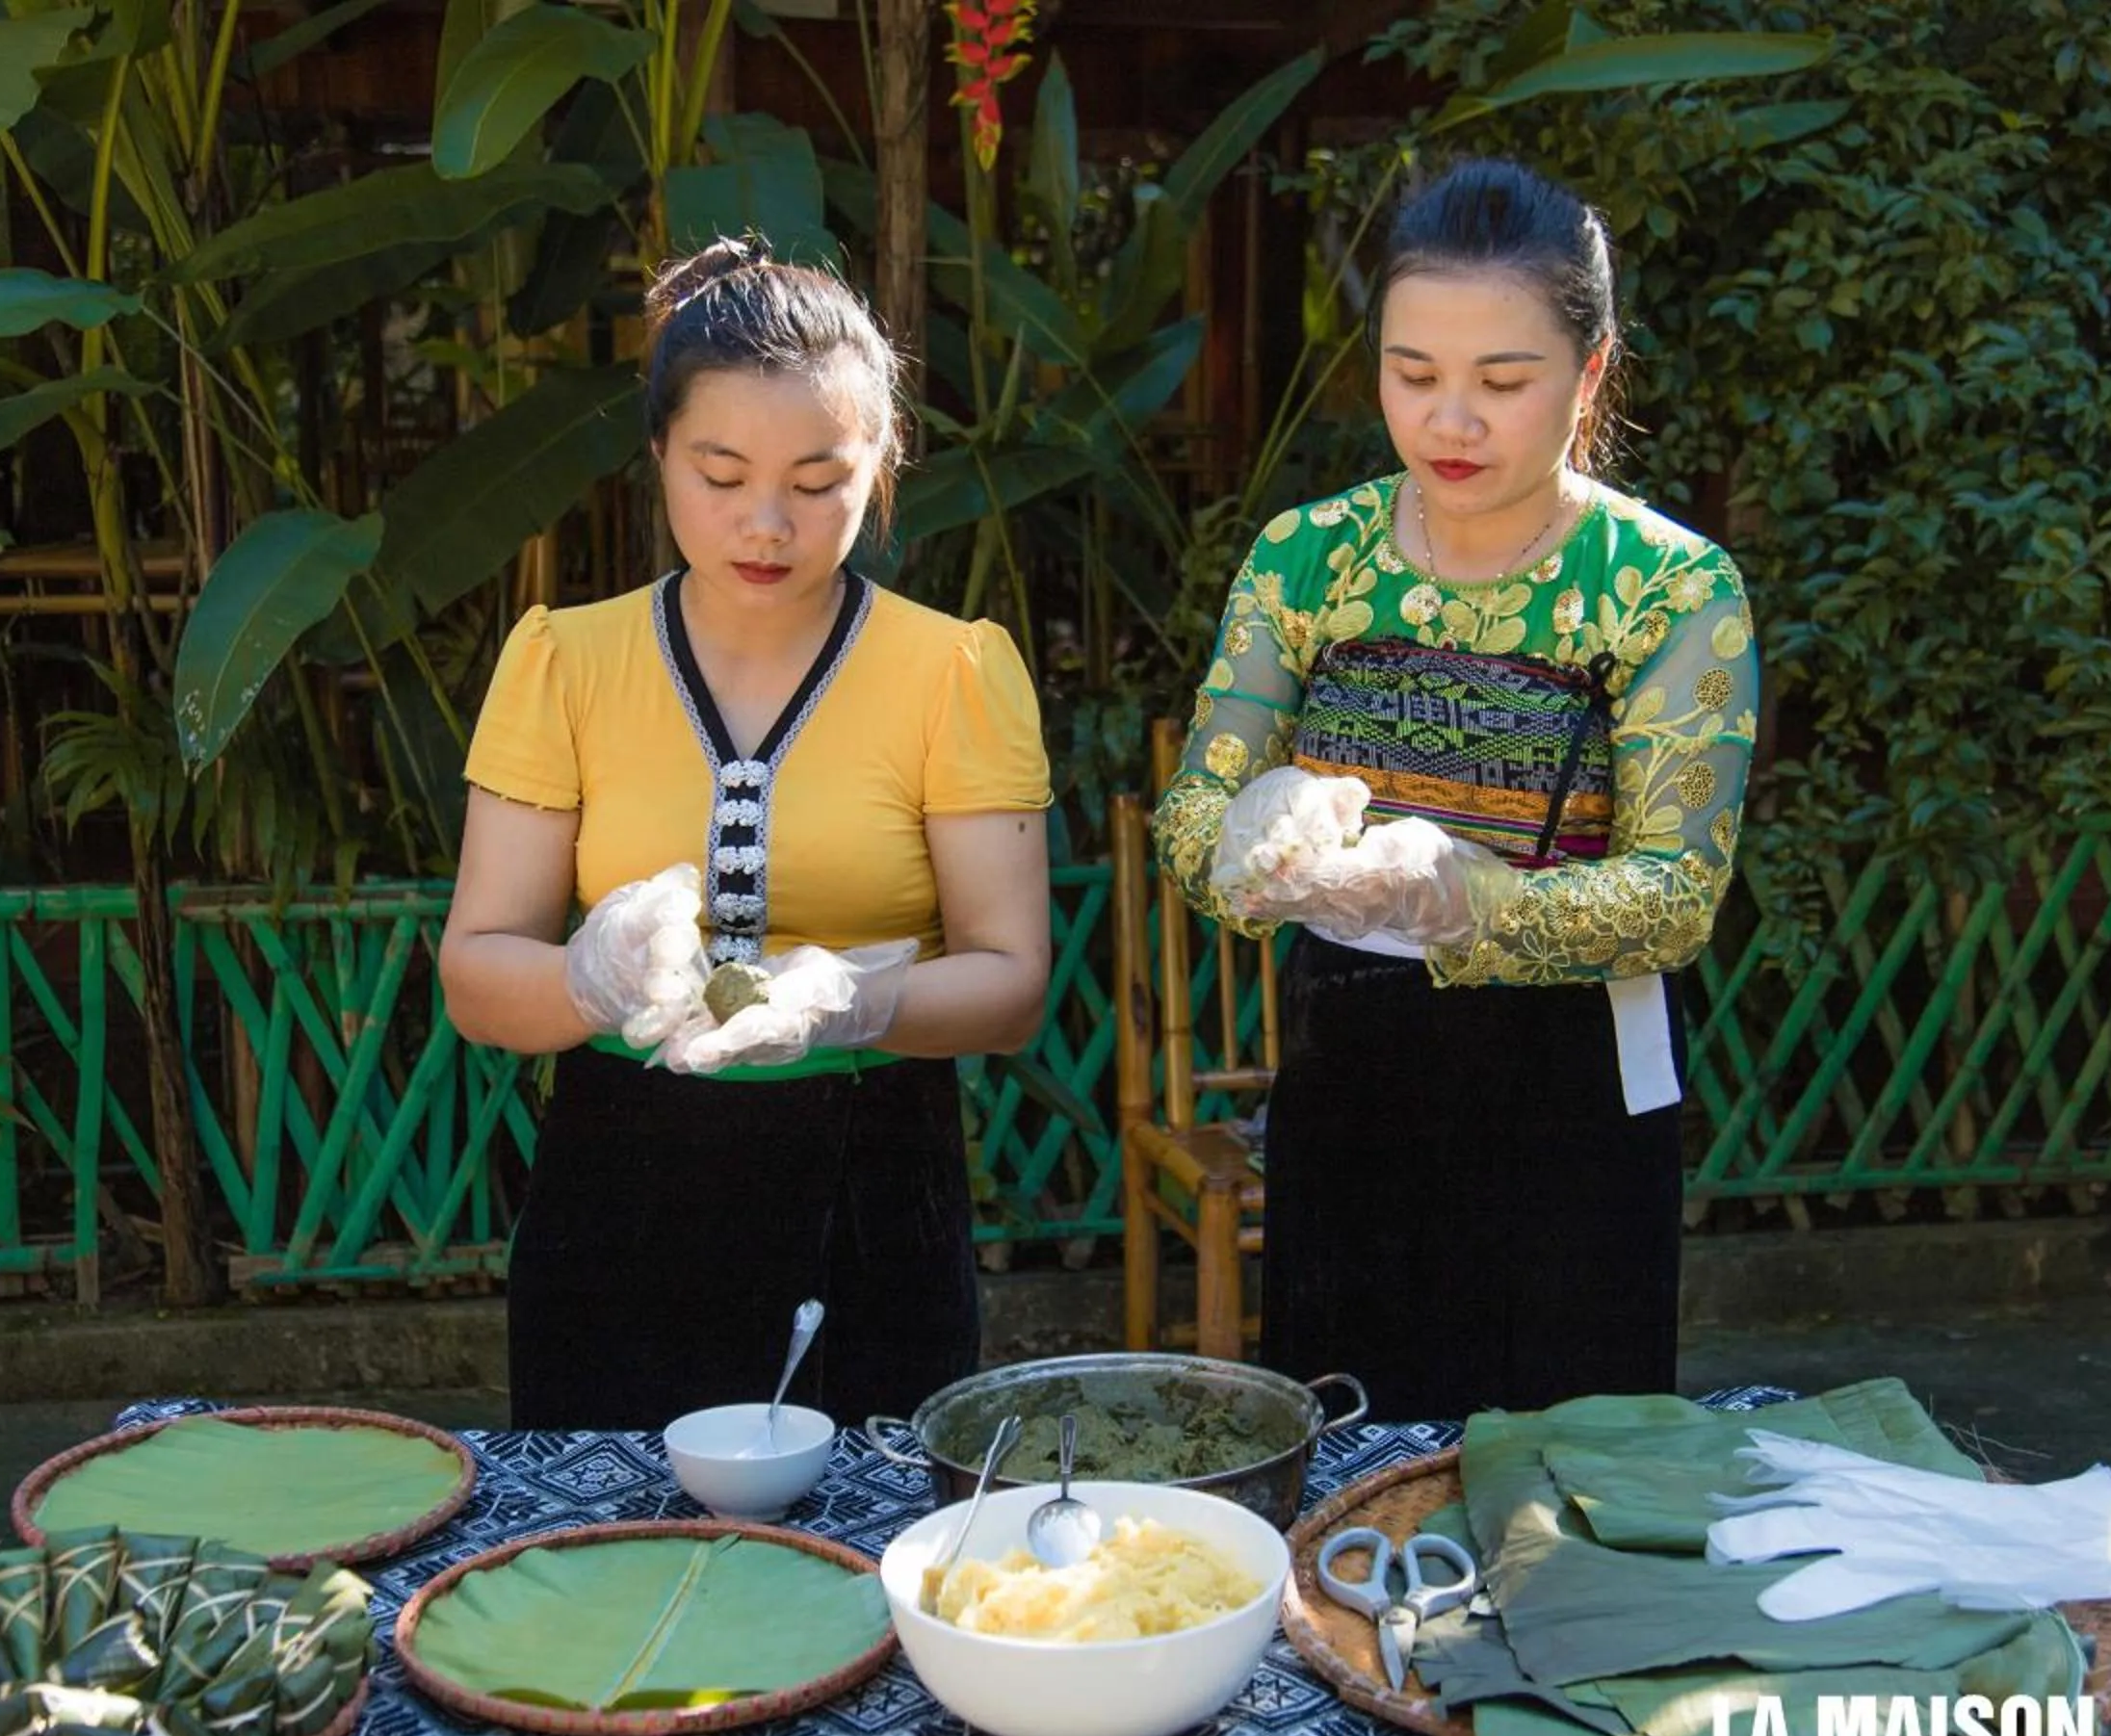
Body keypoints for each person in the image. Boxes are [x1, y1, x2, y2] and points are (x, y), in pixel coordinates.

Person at [1153, 158, 1759, 1417]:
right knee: (1353, 1462)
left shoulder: (1668, 586)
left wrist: (1461, 898)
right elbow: (1194, 822)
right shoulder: (1307, 558)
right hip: (1351, 1075)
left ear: (1590, 374)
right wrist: (1251, 835)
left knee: (1563, 1472)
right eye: (1414, 375)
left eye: (1503, 382)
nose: (1451, 422)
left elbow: (1676, 897)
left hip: (1575, 1097)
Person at [442, 237, 1053, 1431]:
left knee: (867, 1529)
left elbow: (1011, 982)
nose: (765, 523)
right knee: (617, 1525)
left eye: (819, 482)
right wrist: (585, 977)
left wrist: (852, 1000)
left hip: (874, 1195)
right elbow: (475, 972)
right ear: (660, 454)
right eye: (720, 475)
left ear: (880, 464)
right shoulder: (563, 662)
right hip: (618, 1194)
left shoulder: (954, 672)